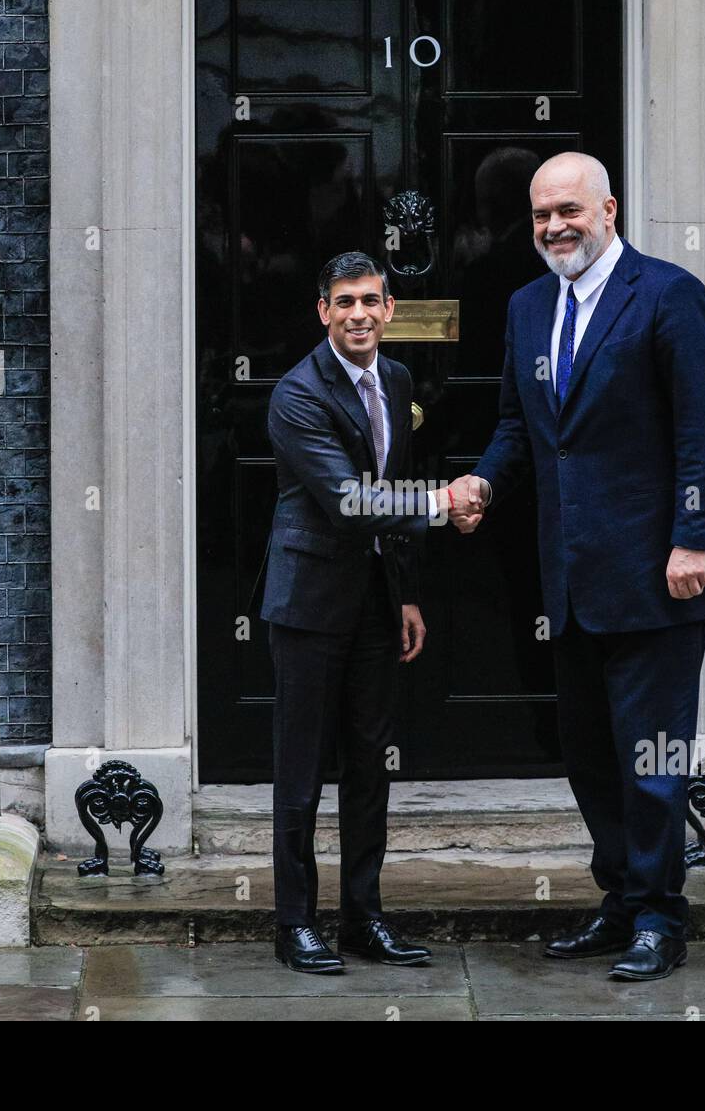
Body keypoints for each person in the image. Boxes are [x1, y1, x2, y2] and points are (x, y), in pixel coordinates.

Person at [456, 152, 705, 981]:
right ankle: (619, 901)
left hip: (659, 572)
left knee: (651, 754)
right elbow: (521, 426)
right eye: (543, 214)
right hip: (570, 577)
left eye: (570, 211)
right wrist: (483, 480)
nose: (554, 227)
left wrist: (692, 537)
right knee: (588, 754)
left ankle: (661, 914)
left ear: (608, 209)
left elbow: (703, 427)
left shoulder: (666, 294)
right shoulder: (527, 306)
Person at [261, 250, 480, 972]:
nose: (359, 313)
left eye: (371, 301)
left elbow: (397, 482)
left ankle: (363, 917)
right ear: (323, 311)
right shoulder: (297, 394)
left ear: (389, 310)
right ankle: (295, 923)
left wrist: (408, 591)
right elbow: (353, 503)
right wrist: (442, 508)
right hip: (310, 605)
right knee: (300, 773)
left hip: (376, 606)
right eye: (344, 301)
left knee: (369, 767)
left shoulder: (396, 377)